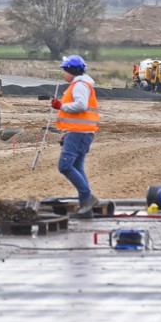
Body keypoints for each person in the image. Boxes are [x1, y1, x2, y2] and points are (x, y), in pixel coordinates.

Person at [50, 55, 100, 218]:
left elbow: (81, 105)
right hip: (80, 132)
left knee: (64, 166)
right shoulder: (81, 84)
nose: (63, 74)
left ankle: (87, 197)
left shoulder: (79, 85)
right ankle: (85, 207)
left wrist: (61, 105)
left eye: (64, 70)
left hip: (79, 132)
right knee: (77, 167)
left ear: (71, 70)